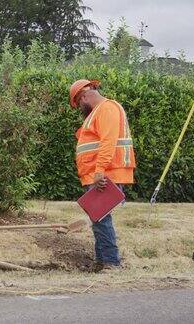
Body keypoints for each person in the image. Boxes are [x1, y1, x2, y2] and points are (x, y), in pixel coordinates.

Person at [69, 79, 136, 272]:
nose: (80, 108)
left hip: (106, 174)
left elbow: (108, 142)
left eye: (79, 104)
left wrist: (99, 171)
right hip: (101, 174)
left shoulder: (107, 108)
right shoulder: (98, 112)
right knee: (97, 218)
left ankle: (111, 262)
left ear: (83, 96)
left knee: (101, 218)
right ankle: (102, 261)